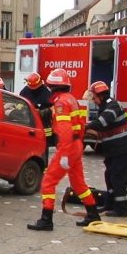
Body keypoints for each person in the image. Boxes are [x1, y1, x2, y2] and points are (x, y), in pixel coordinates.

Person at [28, 68, 100, 231]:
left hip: (67, 147)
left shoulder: (60, 103)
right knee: (78, 182)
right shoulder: (71, 99)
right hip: (76, 146)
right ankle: (93, 214)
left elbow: (65, 130)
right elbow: (80, 125)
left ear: (53, 87)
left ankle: (46, 219)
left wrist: (65, 154)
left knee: (48, 182)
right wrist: (76, 147)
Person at [84, 81, 127, 217]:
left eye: (94, 96)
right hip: (113, 149)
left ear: (100, 95)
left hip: (121, 149)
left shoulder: (112, 106)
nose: (93, 100)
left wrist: (85, 127)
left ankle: (121, 209)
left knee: (118, 177)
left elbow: (102, 123)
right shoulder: (105, 105)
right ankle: (110, 204)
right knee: (110, 176)